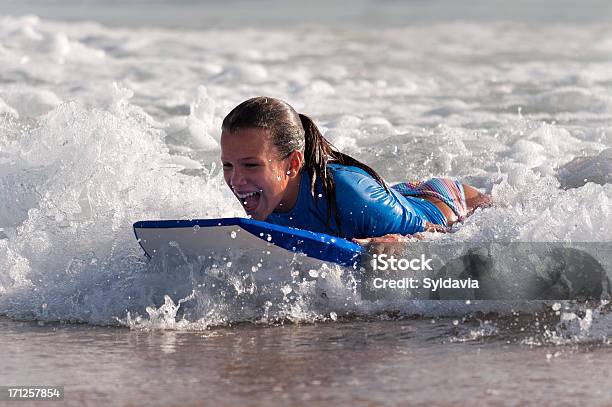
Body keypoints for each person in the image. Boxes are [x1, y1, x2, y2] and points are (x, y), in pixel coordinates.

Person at [220, 96, 491, 245]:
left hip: (448, 203)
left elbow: (440, 234)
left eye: (251, 165)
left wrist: (403, 242)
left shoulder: (351, 195)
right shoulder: (264, 200)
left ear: (292, 164)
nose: (235, 180)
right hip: (396, 198)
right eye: (228, 165)